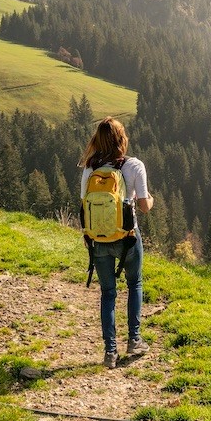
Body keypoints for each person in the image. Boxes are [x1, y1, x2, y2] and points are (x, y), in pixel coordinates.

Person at [80, 116, 154, 369]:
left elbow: (83, 204)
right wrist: (150, 199)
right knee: (135, 283)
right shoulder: (134, 165)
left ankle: (110, 352)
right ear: (122, 139)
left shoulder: (90, 169)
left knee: (108, 293)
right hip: (128, 238)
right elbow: (144, 207)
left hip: (99, 239)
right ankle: (134, 339)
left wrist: (88, 236)